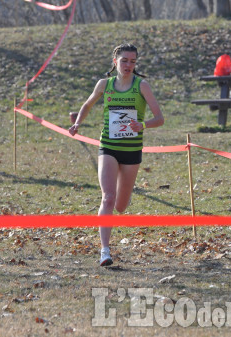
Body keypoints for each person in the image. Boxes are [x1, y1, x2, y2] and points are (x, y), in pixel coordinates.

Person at [68, 43, 164, 266]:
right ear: (115, 62)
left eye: (132, 61)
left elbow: (160, 118)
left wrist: (143, 125)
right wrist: (78, 124)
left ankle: (125, 194)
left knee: (120, 206)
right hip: (108, 146)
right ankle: (104, 250)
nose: (128, 65)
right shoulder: (104, 84)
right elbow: (87, 104)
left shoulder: (142, 86)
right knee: (108, 198)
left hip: (131, 150)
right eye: (124, 61)